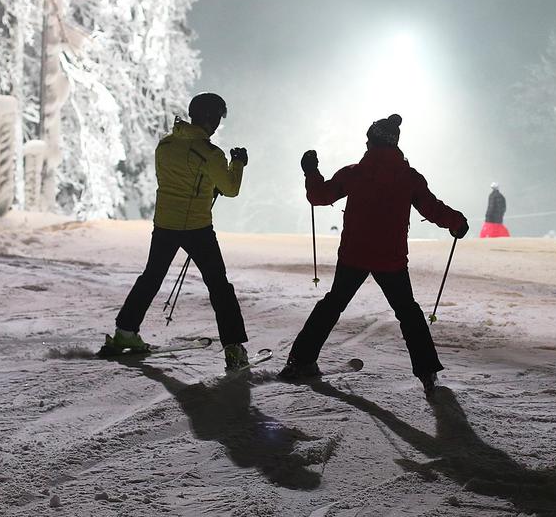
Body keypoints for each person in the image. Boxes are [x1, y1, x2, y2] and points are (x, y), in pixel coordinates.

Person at [279, 114, 469, 395]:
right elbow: (432, 208)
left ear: (372, 142)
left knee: (332, 304)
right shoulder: (409, 178)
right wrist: (457, 222)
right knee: (408, 312)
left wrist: (310, 171)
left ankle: (299, 361)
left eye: (368, 140)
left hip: (354, 254)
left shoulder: (354, 173)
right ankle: (428, 373)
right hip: (390, 258)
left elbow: (319, 196)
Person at [103, 92, 251, 371]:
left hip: (165, 224)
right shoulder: (212, 154)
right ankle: (233, 349)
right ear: (209, 118)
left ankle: (125, 332)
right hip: (196, 227)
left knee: (151, 277)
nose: (218, 124)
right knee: (219, 287)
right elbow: (231, 189)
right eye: (217, 118)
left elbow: (177, 180)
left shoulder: (166, 145)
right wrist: (238, 164)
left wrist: (206, 183)